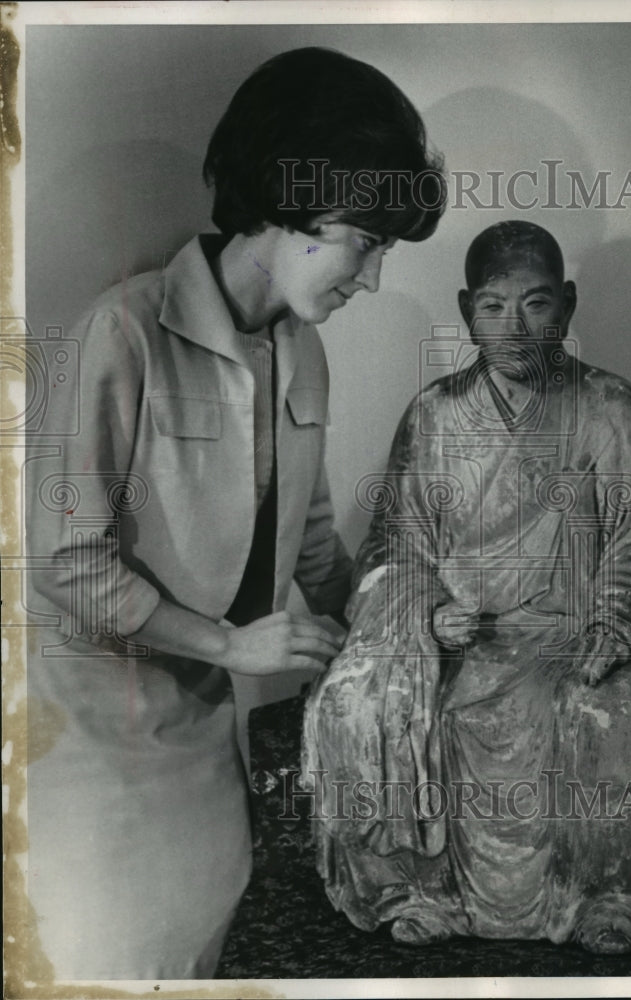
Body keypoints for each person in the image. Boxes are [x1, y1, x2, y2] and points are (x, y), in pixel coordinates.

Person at [24, 46, 444, 980]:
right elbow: (62, 563)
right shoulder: (122, 332)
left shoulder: (303, 352)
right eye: (366, 242)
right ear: (293, 205)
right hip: (90, 755)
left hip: (206, 749)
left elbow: (318, 551)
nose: (371, 278)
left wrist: (411, 618)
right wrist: (231, 646)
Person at [302, 220, 631, 955]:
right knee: (358, 701)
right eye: (494, 306)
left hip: (576, 637)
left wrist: (614, 623)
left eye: (535, 304)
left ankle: (606, 894)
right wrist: (428, 614)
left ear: (566, 306)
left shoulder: (611, 409)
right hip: (463, 636)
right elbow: (393, 547)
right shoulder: (434, 418)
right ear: (467, 307)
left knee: (615, 714)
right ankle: (419, 888)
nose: (514, 326)